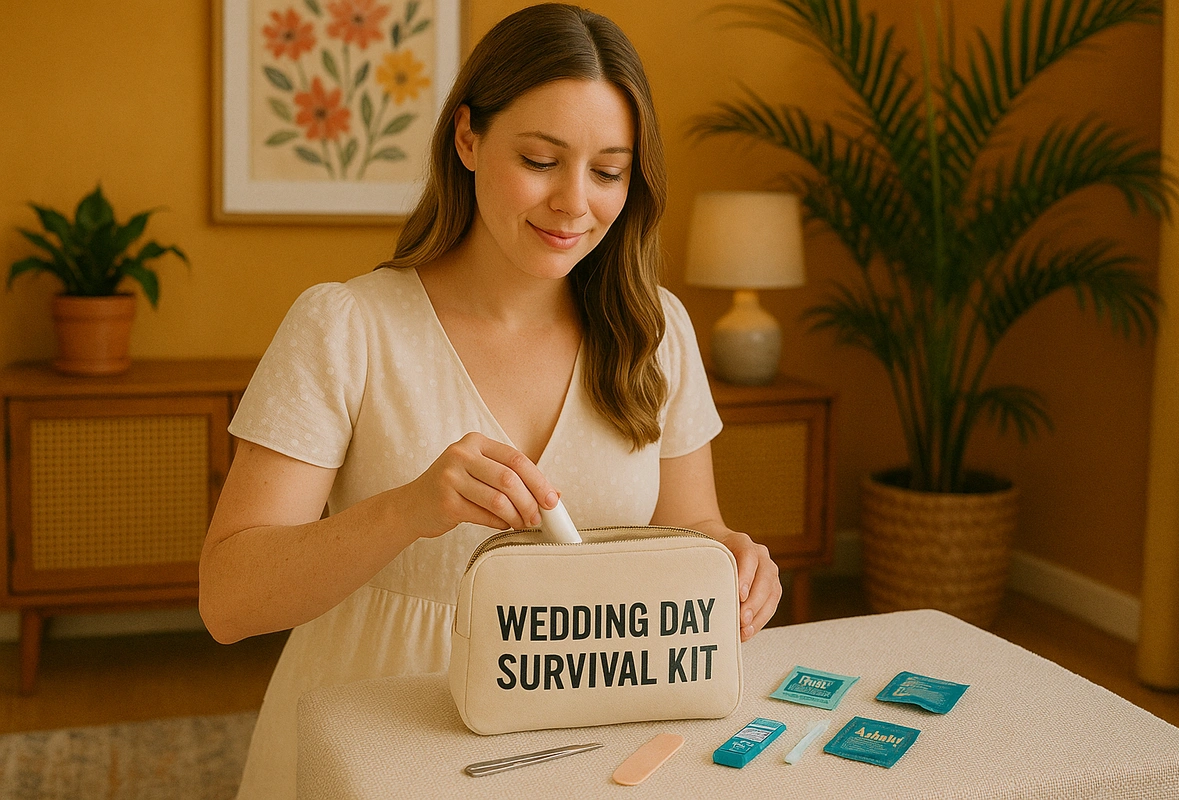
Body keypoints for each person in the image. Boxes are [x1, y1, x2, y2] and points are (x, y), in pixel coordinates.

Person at [199, 4, 782, 797]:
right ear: (468, 138)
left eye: (608, 172)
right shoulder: (345, 326)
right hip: (370, 743)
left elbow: (693, 529)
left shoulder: (656, 329)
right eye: (541, 159)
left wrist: (732, 561)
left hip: (587, 747)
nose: (574, 202)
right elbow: (228, 601)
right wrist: (408, 510)